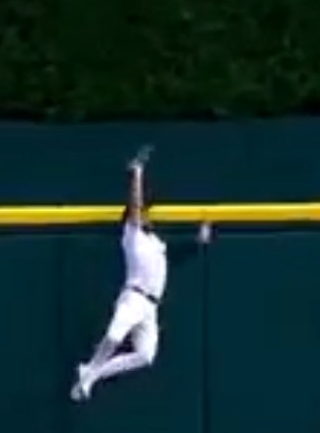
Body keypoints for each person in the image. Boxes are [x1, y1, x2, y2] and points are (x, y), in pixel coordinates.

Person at [70, 148, 213, 402]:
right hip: (134, 297)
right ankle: (90, 373)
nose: (146, 215)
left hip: (151, 307)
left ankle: (91, 372)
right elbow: (135, 205)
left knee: (146, 356)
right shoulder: (132, 234)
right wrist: (137, 172)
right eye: (143, 213)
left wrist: (197, 242)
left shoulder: (156, 243)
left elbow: (173, 258)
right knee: (114, 336)